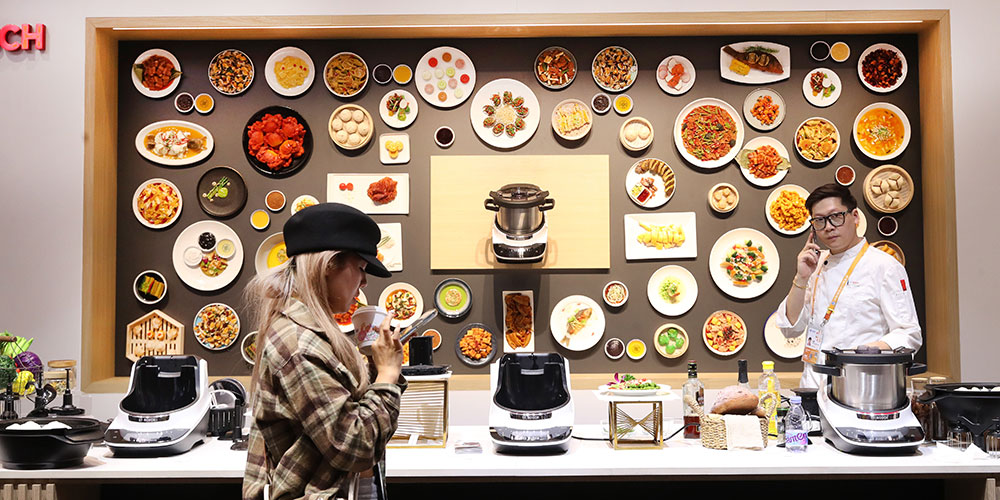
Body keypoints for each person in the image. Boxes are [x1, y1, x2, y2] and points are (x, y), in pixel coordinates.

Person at [243, 203, 405, 500]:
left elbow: (348, 413)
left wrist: (377, 362)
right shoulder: (300, 345)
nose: (364, 281)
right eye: (361, 268)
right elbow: (356, 446)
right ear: (329, 264)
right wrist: (388, 373)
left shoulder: (308, 329)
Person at [777, 183, 921, 388]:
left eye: (836, 216)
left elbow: (909, 334)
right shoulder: (815, 264)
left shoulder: (884, 265)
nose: (828, 227)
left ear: (855, 217)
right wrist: (801, 278)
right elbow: (789, 329)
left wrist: (861, 354)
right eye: (819, 220)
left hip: (862, 387)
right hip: (812, 386)